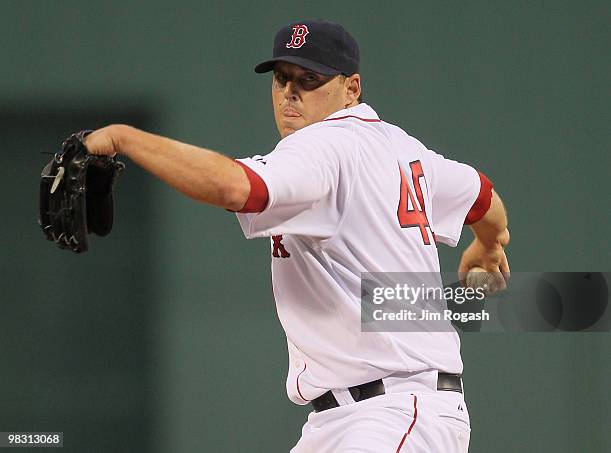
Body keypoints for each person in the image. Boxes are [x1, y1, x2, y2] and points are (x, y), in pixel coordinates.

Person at [84, 19, 510, 453]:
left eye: (311, 79)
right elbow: (483, 197)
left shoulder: (324, 146)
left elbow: (236, 188)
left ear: (351, 88)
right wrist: (489, 243)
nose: (291, 93)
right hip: (352, 420)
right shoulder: (404, 148)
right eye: (282, 79)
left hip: (391, 415)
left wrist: (125, 139)